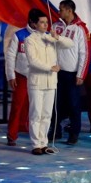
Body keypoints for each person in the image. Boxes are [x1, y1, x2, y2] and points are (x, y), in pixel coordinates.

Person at [25, 9, 72, 155]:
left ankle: (44, 142)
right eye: (42, 22)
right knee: (36, 113)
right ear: (34, 23)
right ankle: (35, 144)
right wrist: (50, 68)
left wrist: (57, 37)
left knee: (47, 113)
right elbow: (33, 61)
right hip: (36, 82)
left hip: (51, 83)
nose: (45, 25)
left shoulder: (51, 38)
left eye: (46, 22)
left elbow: (70, 44)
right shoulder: (30, 40)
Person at [50, 0, 90, 145]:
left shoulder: (80, 29)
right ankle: (55, 130)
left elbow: (84, 53)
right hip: (57, 72)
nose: (59, 12)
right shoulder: (56, 26)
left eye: (61, 9)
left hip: (72, 73)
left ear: (69, 10)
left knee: (74, 104)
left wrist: (81, 74)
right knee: (56, 104)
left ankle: (74, 133)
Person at [4, 10, 37, 146]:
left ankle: (33, 132)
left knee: (36, 107)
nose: (43, 25)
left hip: (37, 77)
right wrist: (11, 76)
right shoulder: (19, 35)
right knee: (17, 106)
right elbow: (10, 56)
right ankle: (12, 135)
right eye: (39, 22)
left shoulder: (44, 36)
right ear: (31, 22)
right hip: (21, 75)